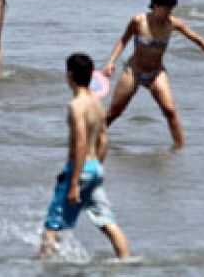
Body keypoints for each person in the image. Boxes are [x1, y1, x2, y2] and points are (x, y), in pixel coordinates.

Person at [101, 0, 204, 149]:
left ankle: (180, 149)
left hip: (156, 73)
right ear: (155, 5)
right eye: (166, 8)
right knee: (114, 112)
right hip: (133, 71)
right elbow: (123, 40)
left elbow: (197, 39)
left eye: (171, 9)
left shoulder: (173, 23)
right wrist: (111, 62)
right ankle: (90, 139)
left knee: (170, 111)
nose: (169, 12)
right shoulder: (138, 21)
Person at [39, 54, 132, 262]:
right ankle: (127, 262)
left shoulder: (76, 105)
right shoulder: (97, 103)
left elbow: (80, 143)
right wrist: (96, 167)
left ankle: (43, 265)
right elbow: (104, 139)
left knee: (52, 225)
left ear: (69, 75)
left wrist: (74, 183)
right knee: (107, 222)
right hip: (95, 169)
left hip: (78, 171)